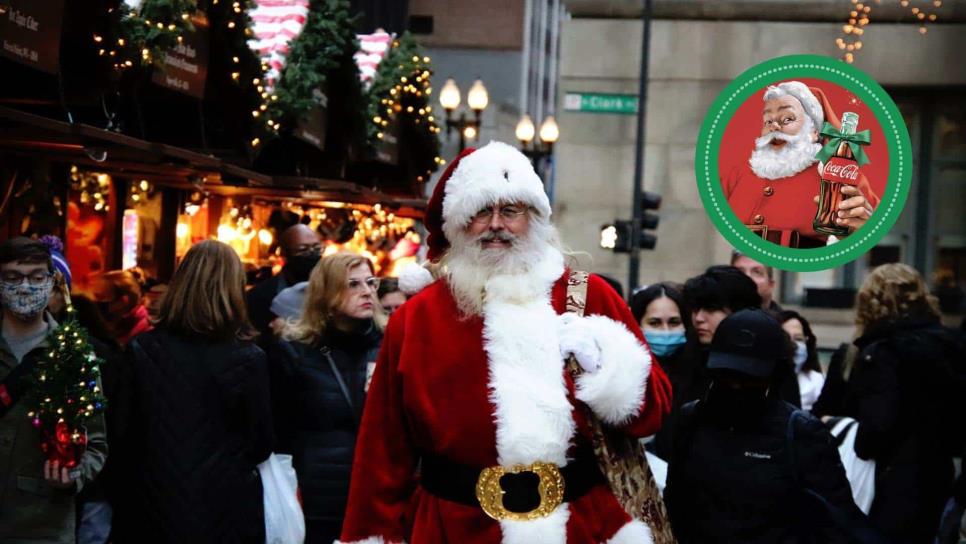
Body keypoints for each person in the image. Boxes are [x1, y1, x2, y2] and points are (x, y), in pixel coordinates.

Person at [337, 142, 672, 544]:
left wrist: (607, 370)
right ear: (457, 225)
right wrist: (369, 535)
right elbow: (382, 451)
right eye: (480, 212)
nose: (496, 224)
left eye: (511, 211)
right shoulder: (415, 319)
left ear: (535, 220)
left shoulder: (590, 296)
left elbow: (653, 413)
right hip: (454, 530)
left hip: (581, 527)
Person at [110, 240, 274, 543]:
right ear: (234, 289)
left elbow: (121, 432)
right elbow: (260, 443)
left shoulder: (141, 350)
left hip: (150, 501)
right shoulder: (249, 359)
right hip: (224, 507)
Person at [664, 309, 864, 543]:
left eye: (748, 378)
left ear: (772, 376)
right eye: (727, 375)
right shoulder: (692, 420)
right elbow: (675, 503)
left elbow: (838, 522)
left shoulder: (800, 432)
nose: (735, 385)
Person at [840, 263, 964, 543]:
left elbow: (874, 432)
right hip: (941, 476)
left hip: (890, 486)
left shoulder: (882, 352)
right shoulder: (951, 345)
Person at [268, 252, 385, 544]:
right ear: (328, 291)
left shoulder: (390, 345)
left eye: (371, 282)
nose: (366, 291)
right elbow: (279, 430)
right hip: (317, 497)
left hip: (377, 493)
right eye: (353, 284)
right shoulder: (296, 351)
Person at [0, 237, 108, 543]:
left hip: (42, 524)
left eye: (36, 278)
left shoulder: (73, 354)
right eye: (12, 277)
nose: (25, 287)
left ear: (51, 284)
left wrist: (73, 474)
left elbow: (96, 443)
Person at [722, 81, 879, 248]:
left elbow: (869, 228)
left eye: (788, 118)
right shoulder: (738, 174)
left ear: (814, 131)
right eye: (768, 121)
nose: (774, 126)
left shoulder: (837, 174)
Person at [629, 282, 693, 460]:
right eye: (654, 323)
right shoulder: (625, 375)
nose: (665, 331)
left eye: (674, 322)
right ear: (637, 325)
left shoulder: (702, 372)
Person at [246, 224, 322, 335]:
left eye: (316, 248)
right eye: (303, 249)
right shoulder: (261, 295)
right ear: (284, 254)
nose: (311, 254)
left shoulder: (332, 291)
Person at [778, 310, 825, 412]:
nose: (794, 345)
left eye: (798, 339)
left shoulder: (816, 380)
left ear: (806, 341)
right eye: (787, 338)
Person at [91, 269, 152, 347]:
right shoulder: (116, 327)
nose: (95, 302)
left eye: (101, 298)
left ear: (122, 301)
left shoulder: (144, 337)